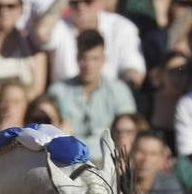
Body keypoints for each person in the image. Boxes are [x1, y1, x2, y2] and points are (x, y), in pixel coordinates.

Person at [45, 29, 136, 162]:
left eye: (94, 58)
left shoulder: (119, 91)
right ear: (77, 58)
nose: (88, 65)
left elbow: (129, 135)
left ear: (104, 59)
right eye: (83, 58)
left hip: (109, 161)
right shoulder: (57, 91)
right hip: (67, 161)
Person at [36, 0, 144, 88]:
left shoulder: (122, 27)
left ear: (101, 2)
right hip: (65, 98)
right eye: (74, 1)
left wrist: (120, 95)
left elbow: (134, 70)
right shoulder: (61, 25)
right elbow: (41, 32)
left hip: (110, 97)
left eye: (88, 1)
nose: (81, 6)